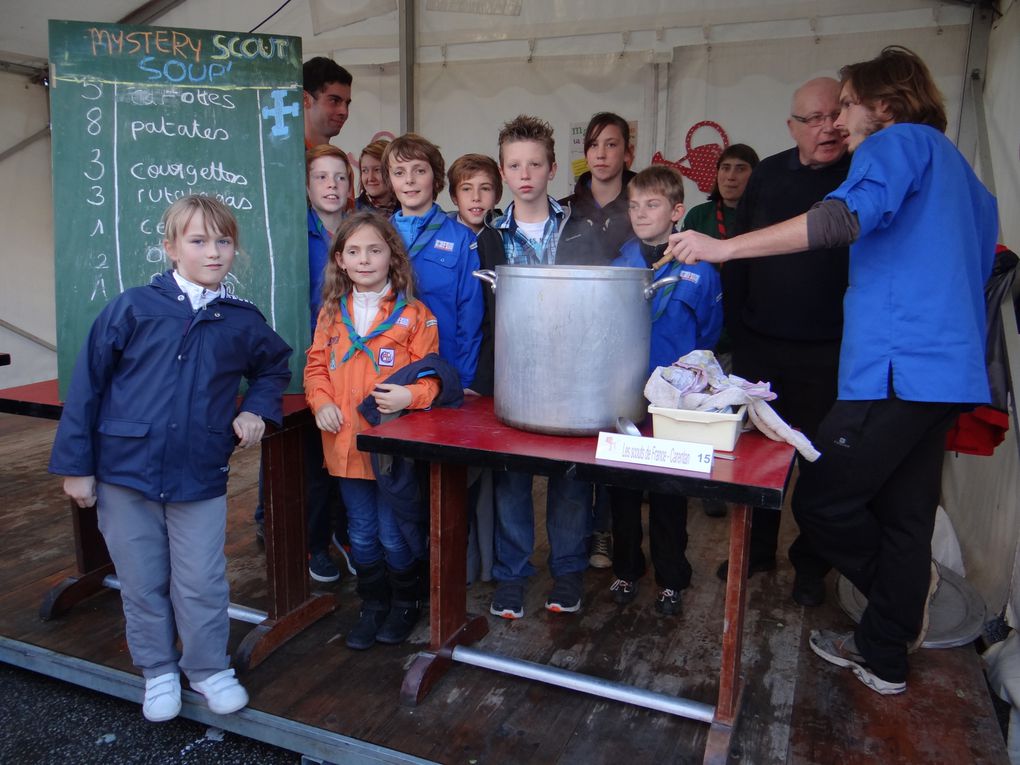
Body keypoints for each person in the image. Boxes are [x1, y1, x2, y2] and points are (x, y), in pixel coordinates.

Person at [667, 46, 998, 695]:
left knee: (822, 498)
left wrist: (724, 246)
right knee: (904, 514)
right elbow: (976, 260)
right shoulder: (962, 172)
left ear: (886, 100)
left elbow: (843, 218)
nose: (841, 118)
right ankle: (885, 657)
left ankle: (896, 601)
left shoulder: (896, 143)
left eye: (848, 102)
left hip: (897, 366)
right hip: (945, 370)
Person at [48, 195, 292, 722]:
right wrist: (77, 466)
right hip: (123, 472)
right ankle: (158, 670)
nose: (213, 251)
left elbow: (274, 367)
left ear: (236, 250)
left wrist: (257, 409)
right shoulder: (133, 307)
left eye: (223, 241)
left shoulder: (241, 321)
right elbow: (87, 386)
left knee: (202, 579)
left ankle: (206, 669)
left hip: (198, 471)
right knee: (141, 577)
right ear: (171, 248)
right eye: (198, 241)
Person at [713, 78, 851, 606]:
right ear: (792, 126)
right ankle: (757, 550)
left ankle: (812, 566)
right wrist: (742, 332)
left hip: (830, 349)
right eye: (813, 119)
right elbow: (738, 255)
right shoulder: (767, 175)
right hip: (762, 345)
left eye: (835, 114)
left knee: (819, 460)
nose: (828, 128)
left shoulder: (860, 173)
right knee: (758, 457)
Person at [304, 212, 442, 650]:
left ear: (392, 256)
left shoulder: (415, 315)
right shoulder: (331, 314)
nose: (365, 259)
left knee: (391, 532)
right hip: (344, 446)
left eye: (375, 250)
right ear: (340, 260)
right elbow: (315, 367)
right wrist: (321, 401)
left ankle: (406, 602)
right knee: (361, 533)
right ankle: (373, 603)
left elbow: (433, 378)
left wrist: (411, 397)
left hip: (390, 452)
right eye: (354, 251)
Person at [479, 115, 592, 618]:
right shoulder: (487, 237)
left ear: (552, 170)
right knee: (512, 479)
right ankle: (512, 574)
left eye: (535, 164)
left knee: (571, 478)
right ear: (504, 172)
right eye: (514, 165)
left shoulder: (581, 229)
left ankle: (568, 572)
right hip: (512, 372)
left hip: (571, 371)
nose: (525, 174)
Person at [607, 165, 722, 616]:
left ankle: (672, 577)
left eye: (652, 205)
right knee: (622, 489)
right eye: (633, 205)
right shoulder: (621, 264)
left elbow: (710, 337)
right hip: (625, 395)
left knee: (671, 493)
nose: (640, 213)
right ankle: (626, 568)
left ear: (677, 211)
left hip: (675, 404)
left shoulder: (701, 270)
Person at [556, 112, 638, 568]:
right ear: (584, 154)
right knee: (576, 435)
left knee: (614, 432)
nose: (602, 154)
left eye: (611, 145)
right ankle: (578, 531)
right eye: (594, 145)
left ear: (628, 152)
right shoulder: (566, 208)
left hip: (624, 339)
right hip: (575, 334)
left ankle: (605, 530)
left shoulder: (642, 202)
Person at [681, 142, 760, 518]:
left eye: (740, 168)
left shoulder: (761, 216)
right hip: (704, 331)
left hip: (747, 327)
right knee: (700, 409)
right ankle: (702, 483)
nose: (730, 176)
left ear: (754, 175)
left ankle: (726, 481)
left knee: (733, 415)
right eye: (725, 168)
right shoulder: (699, 215)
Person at [382, 133, 484, 392]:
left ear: (435, 177)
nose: (409, 180)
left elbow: (470, 317)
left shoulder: (461, 239)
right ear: (389, 179)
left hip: (441, 371)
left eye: (419, 170)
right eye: (399, 172)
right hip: (387, 371)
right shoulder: (377, 236)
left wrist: (464, 381)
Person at [304, 145, 357, 582]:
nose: (331, 186)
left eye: (340, 177)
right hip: (313, 365)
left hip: (355, 367)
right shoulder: (292, 232)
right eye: (321, 177)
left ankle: (349, 536)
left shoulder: (360, 232)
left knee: (351, 458)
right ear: (307, 185)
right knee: (315, 468)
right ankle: (315, 545)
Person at [303, 57, 353, 149]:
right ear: (305, 99)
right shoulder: (287, 157)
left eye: (347, 104)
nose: (344, 112)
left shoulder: (338, 159)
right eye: (334, 101)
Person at [356, 139, 398, 216]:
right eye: (365, 171)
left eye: (377, 170)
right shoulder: (351, 211)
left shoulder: (408, 208)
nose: (370, 178)